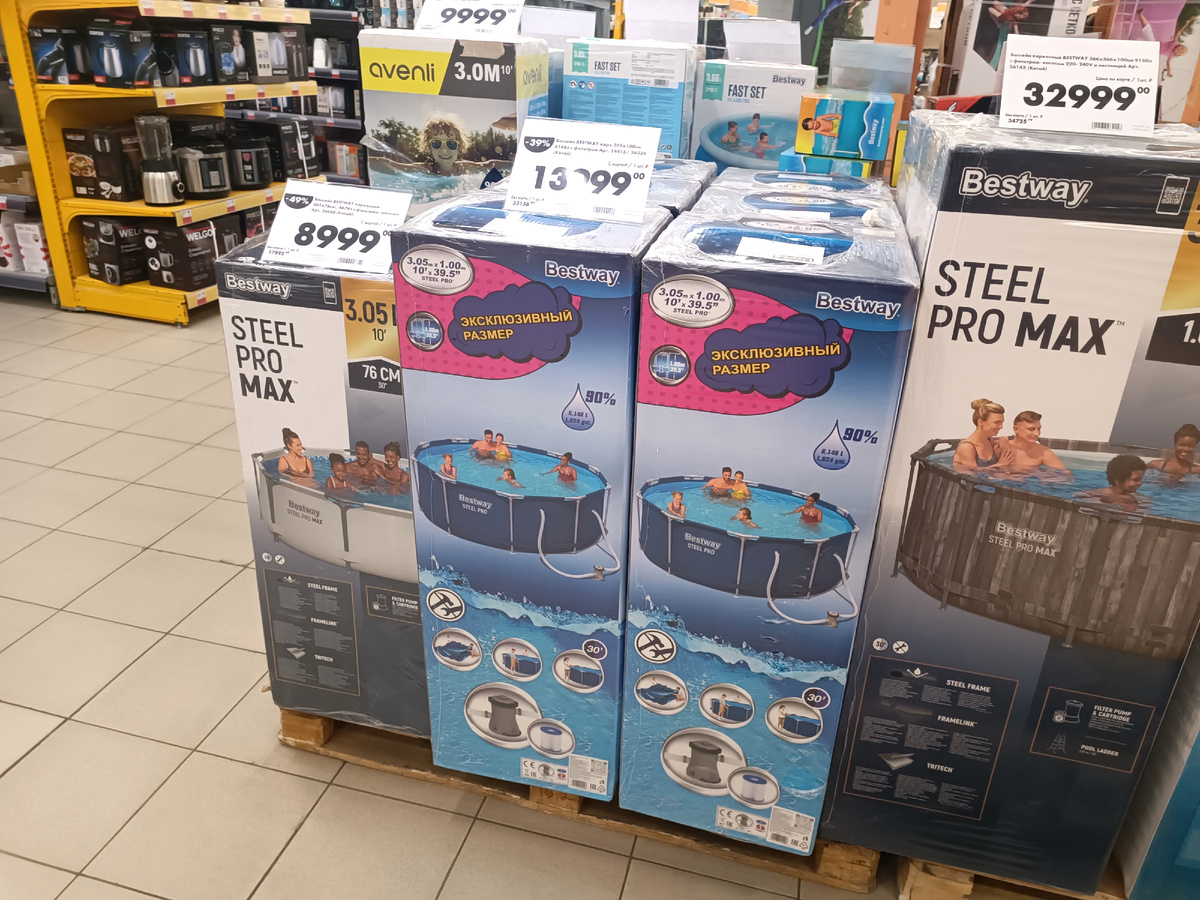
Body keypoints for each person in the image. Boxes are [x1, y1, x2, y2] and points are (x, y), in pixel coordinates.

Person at [1077, 455, 1150, 512]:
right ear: (1117, 480)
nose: (1140, 483)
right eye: (1135, 480)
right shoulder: (1094, 495)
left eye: (1140, 479)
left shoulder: (1141, 499)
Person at [954, 398, 1011, 469]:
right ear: (980, 422)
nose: (1001, 427)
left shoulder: (989, 440)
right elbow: (972, 474)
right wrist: (999, 465)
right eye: (997, 422)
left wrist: (1003, 440)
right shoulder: (966, 448)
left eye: (1002, 422)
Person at [803, 0, 870, 35]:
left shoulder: (857, 2)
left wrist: (849, 14)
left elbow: (851, 8)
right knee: (826, 12)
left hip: (838, 1)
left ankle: (812, 26)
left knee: (826, 12)